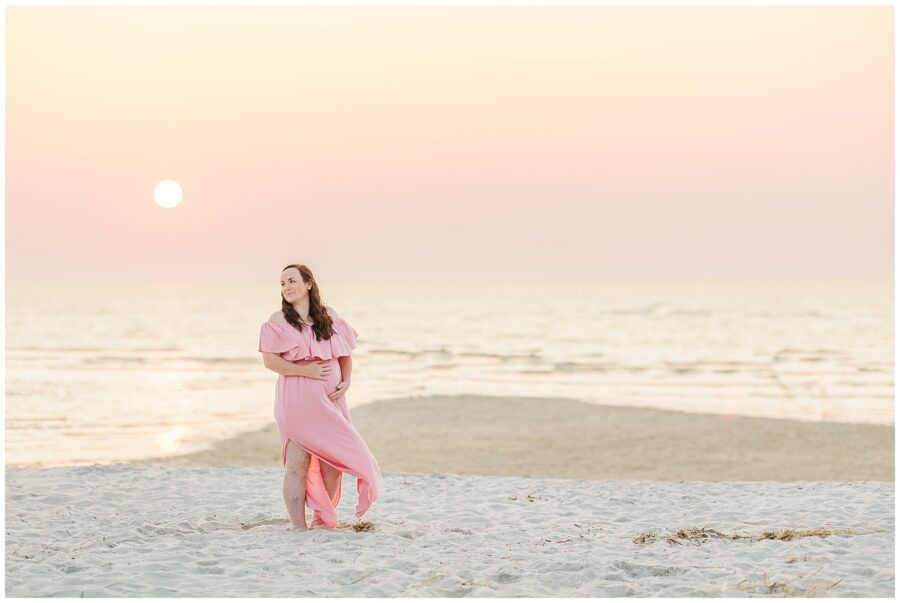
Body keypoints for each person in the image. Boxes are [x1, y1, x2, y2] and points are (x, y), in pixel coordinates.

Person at [258, 264, 381, 531]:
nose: (286, 287)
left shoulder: (330, 316)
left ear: (309, 284)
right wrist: (306, 370)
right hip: (297, 400)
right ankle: (298, 526)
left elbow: (344, 355)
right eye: (282, 284)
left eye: (291, 281)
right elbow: (270, 361)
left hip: (332, 399)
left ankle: (322, 520)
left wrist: (346, 381)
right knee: (297, 464)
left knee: (333, 464)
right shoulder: (277, 320)